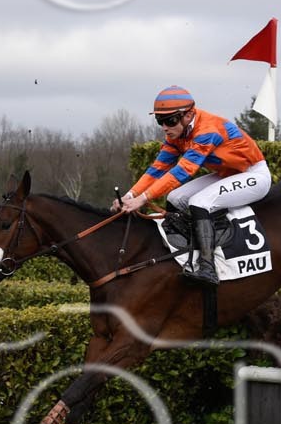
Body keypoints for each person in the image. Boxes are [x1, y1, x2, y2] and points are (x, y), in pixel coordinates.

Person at [112, 86, 271, 285]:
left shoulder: (208, 130)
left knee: (199, 202)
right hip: (226, 175)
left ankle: (207, 268)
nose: (165, 127)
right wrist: (130, 195)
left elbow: (183, 171)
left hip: (254, 175)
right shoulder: (176, 136)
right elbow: (157, 169)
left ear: (188, 115)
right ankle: (180, 253)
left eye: (170, 120)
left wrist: (143, 199)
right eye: (160, 121)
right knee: (175, 198)